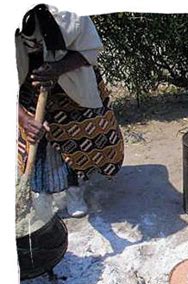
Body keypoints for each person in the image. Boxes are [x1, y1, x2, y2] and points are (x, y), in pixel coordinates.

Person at [16, 4, 124, 219]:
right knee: (37, 145)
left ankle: (75, 191)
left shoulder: (68, 11)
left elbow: (89, 51)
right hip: (25, 84)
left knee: (80, 141)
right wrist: (24, 118)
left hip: (72, 80)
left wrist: (57, 69)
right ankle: (40, 195)